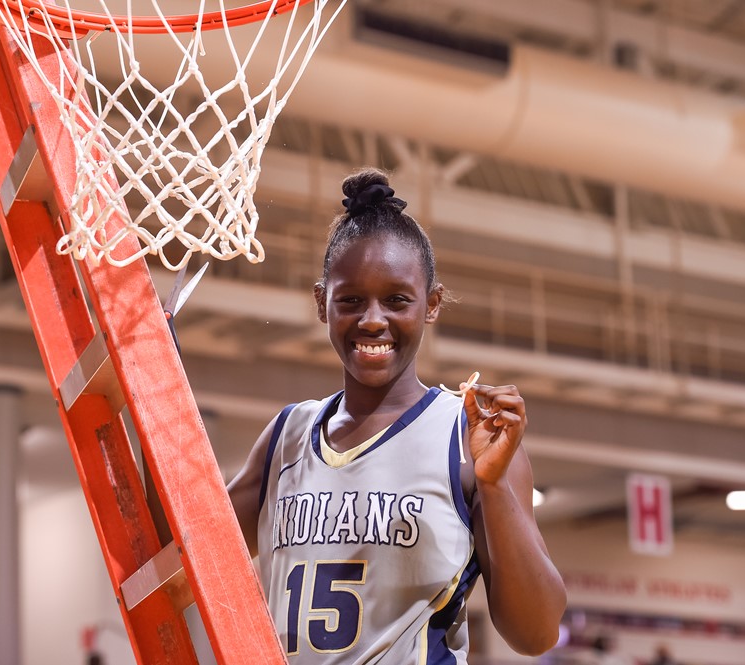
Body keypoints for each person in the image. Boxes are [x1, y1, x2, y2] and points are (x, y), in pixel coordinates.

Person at [227, 167, 567, 662]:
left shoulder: (467, 438)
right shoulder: (287, 436)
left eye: (396, 300)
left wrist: (493, 488)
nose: (372, 319)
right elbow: (182, 540)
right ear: (322, 303)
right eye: (350, 300)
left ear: (430, 305)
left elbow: (535, 634)